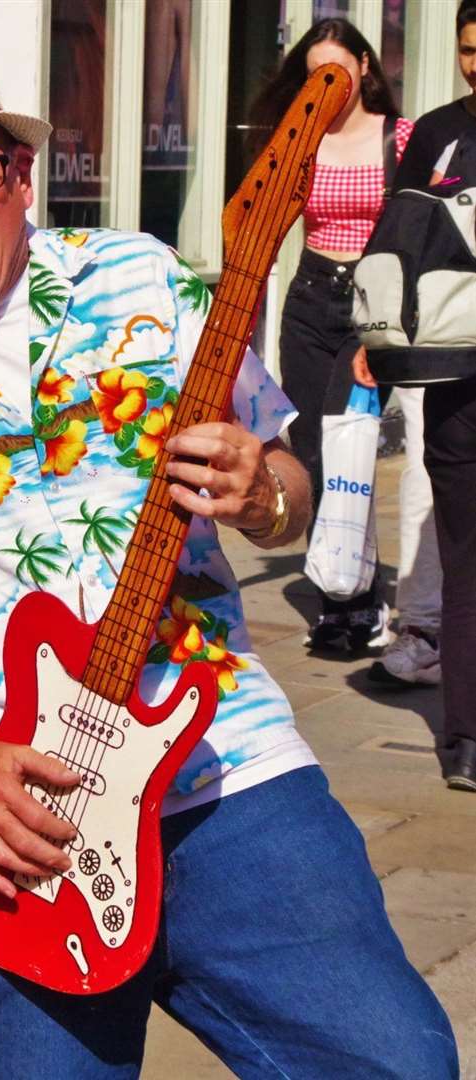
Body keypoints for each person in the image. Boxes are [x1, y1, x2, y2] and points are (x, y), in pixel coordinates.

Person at [0, 49, 457, 1076]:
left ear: (20, 178)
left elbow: (285, 485)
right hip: (10, 811)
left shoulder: (141, 278)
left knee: (395, 1061)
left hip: (229, 769)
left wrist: (262, 494)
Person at [248, 18, 411, 653]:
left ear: (364, 68)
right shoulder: (302, 136)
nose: (328, 87)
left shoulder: (401, 138)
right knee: (313, 446)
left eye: (337, 73)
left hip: (370, 308)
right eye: (316, 74)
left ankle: (361, 598)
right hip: (310, 298)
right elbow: (263, 215)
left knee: (352, 444)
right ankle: (338, 598)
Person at [383, 0, 476, 786]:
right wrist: (374, 337)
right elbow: (396, 238)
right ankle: (466, 741)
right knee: (465, 556)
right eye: (469, 49)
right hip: (455, 378)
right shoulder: (436, 131)